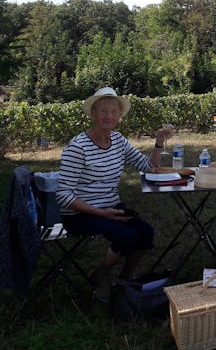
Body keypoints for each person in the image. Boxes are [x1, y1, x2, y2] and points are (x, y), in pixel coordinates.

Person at [55, 87, 170, 302]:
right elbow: (63, 195)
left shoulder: (118, 141)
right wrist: (100, 213)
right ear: (93, 114)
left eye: (113, 111)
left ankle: (125, 279)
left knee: (146, 233)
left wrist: (159, 143)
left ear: (119, 116)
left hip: (110, 206)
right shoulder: (78, 147)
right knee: (126, 236)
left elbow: (148, 167)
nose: (108, 116)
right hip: (79, 214)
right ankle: (101, 274)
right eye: (103, 111)